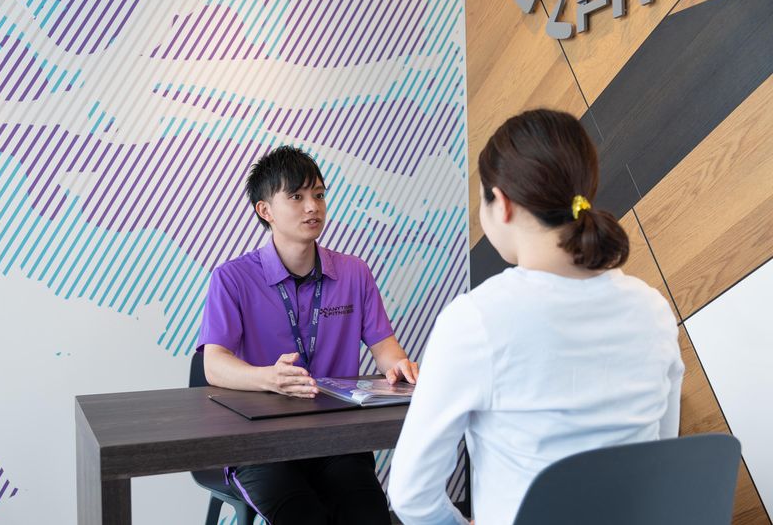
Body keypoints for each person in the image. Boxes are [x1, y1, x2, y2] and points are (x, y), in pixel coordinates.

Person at [388, 109, 683, 525]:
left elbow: (411, 495)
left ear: (502, 204)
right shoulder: (652, 310)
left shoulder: (475, 320)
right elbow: (662, 450)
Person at [197, 145, 419, 525]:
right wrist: (268, 378)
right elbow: (213, 364)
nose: (313, 207)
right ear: (265, 210)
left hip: (337, 440)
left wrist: (399, 366)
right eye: (297, 197)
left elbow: (384, 345)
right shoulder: (232, 278)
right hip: (261, 444)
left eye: (318, 194)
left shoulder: (354, 272)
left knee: (368, 516)